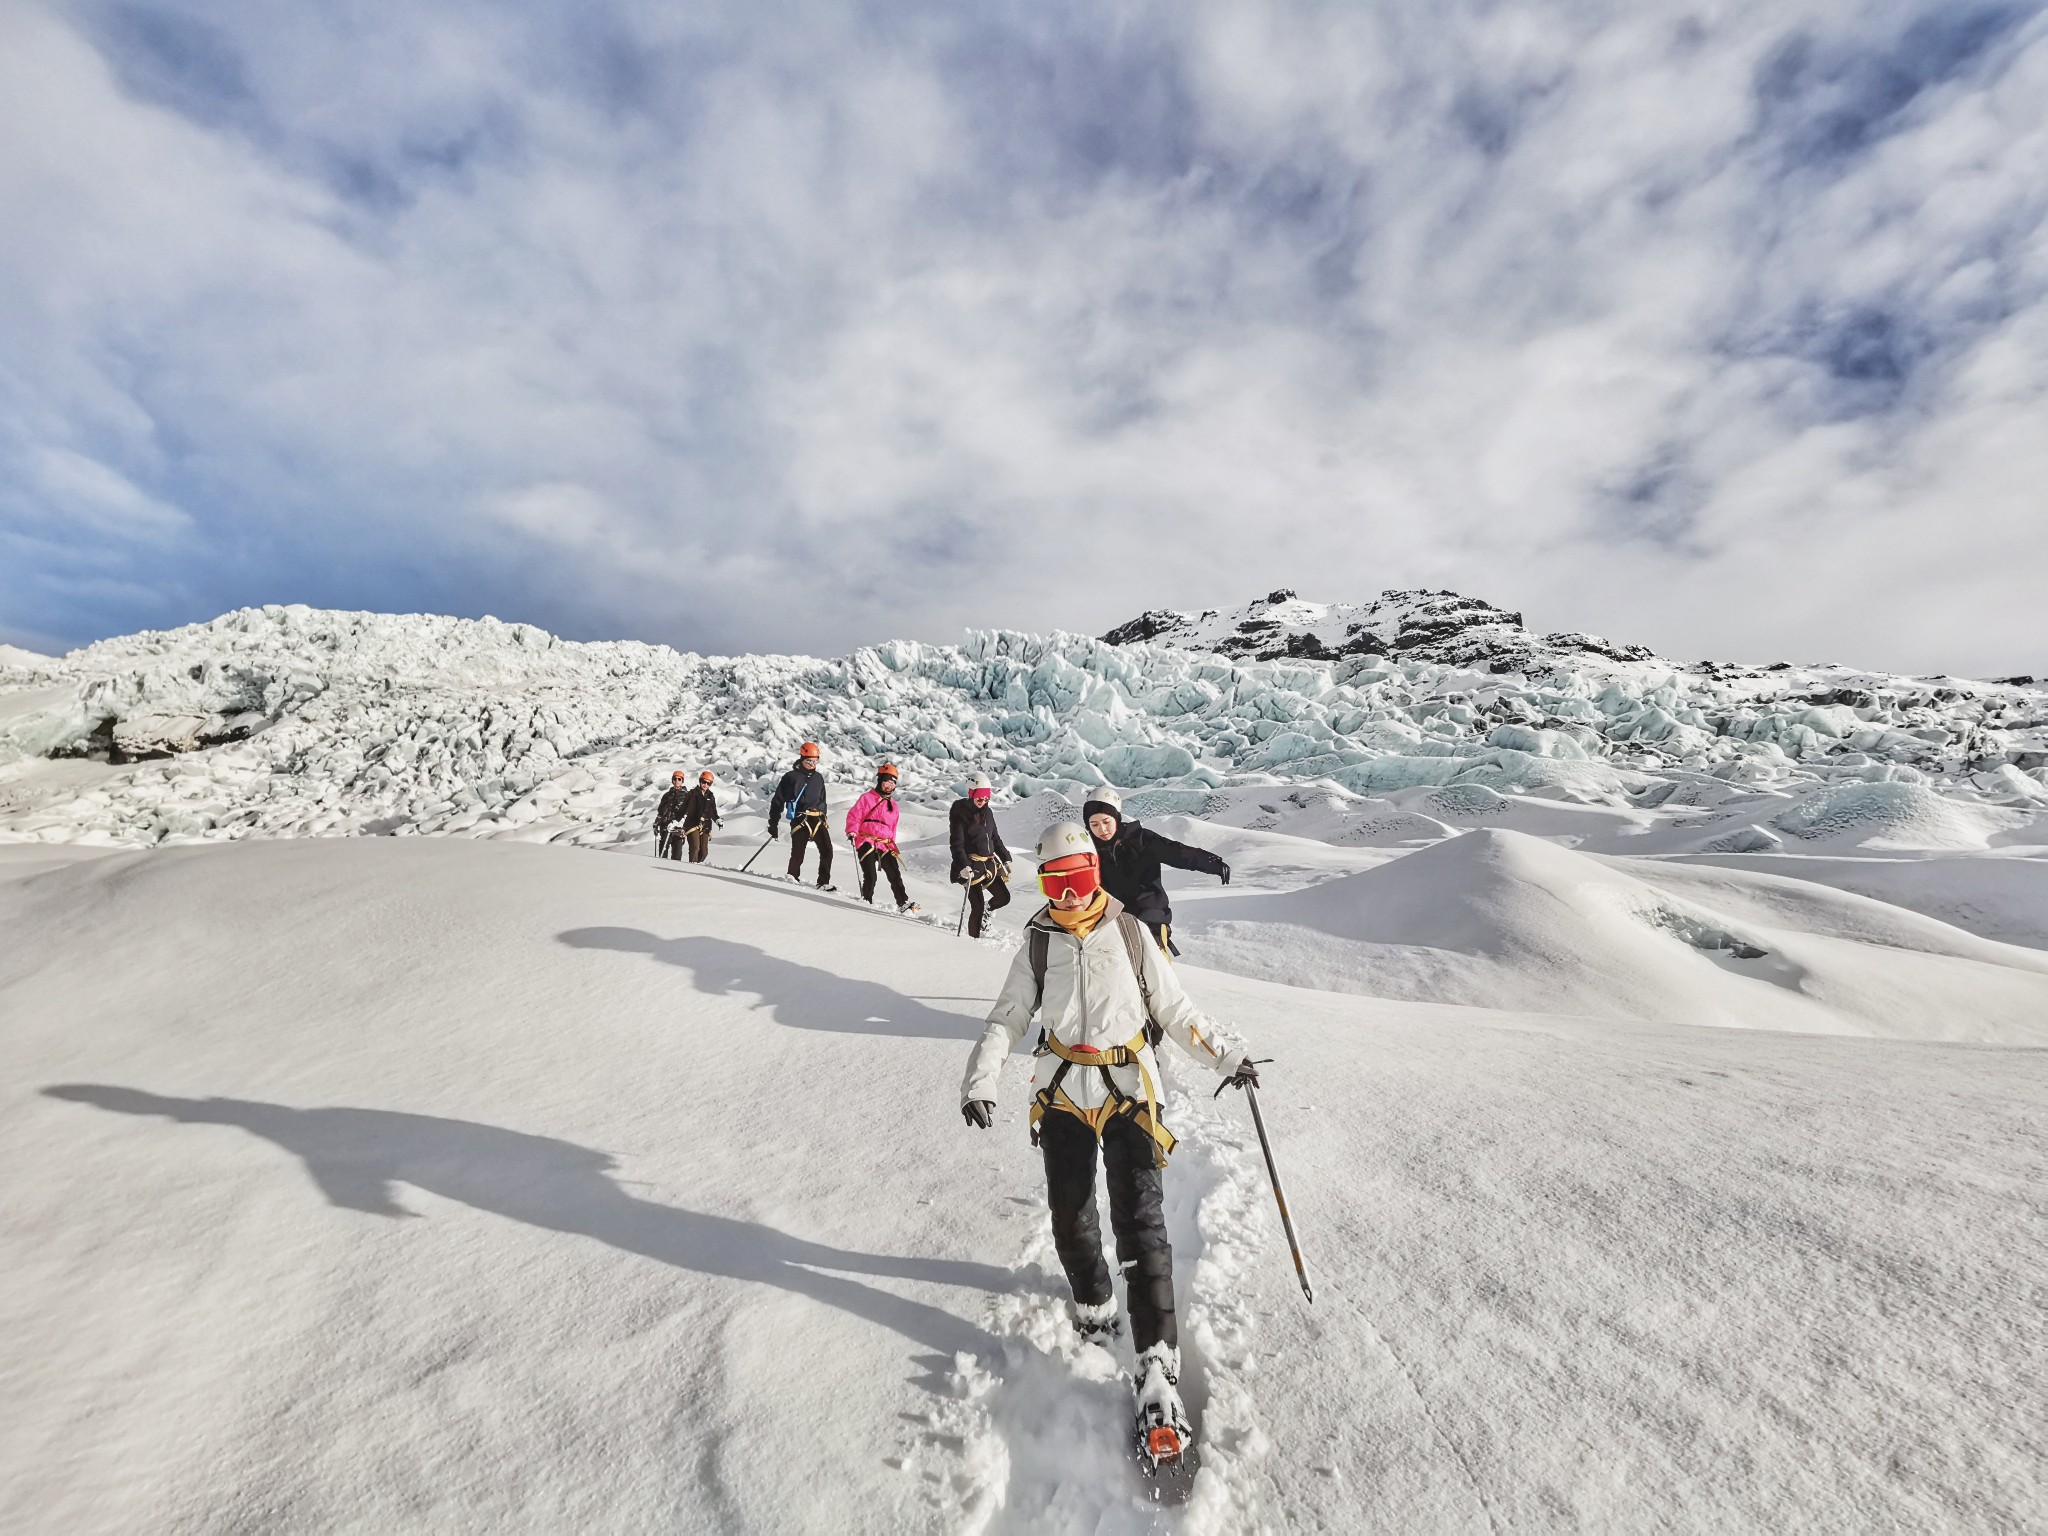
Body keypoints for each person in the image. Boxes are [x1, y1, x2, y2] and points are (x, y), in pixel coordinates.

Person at [960, 822, 1260, 1467]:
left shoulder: (1132, 934)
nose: (1067, 896)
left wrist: (1226, 1057)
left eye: (1079, 880)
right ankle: (1095, 1306)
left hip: (1129, 1091)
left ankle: (1158, 1361)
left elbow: (1176, 1011)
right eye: (1054, 882)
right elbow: (1009, 1016)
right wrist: (980, 1079)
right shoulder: (1037, 943)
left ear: (1095, 875)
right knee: (1070, 1215)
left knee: (1141, 1221)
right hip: (1063, 1090)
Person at [1081, 786, 1230, 954]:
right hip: (1112, 924)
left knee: (1155, 974)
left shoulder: (1142, 839)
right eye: (1094, 824)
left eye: (1106, 822)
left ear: (1116, 818)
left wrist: (1211, 862)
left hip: (1151, 921)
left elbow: (1176, 852)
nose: (1102, 829)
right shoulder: (1088, 850)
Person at [845, 764, 918, 912]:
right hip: (866, 840)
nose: (889, 786)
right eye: (887, 782)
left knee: (894, 874)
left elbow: (892, 829)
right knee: (870, 875)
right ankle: (866, 901)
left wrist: (892, 845)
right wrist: (852, 831)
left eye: (892, 783)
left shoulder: (894, 806)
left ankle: (903, 903)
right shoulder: (867, 798)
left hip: (885, 844)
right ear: (880, 781)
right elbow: (855, 816)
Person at [948, 772, 1013, 938]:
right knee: (976, 906)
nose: (983, 801)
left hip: (988, 865)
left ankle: (987, 911)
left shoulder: (988, 813)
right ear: (971, 794)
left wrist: (1005, 858)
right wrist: (963, 866)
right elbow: (957, 844)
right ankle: (973, 944)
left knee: (1003, 897)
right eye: (979, 798)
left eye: (986, 799)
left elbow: (995, 838)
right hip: (970, 866)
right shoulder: (960, 814)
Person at [768, 742, 835, 890]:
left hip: (817, 818)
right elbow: (778, 800)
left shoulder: (818, 778)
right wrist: (773, 822)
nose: (812, 764)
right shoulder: (791, 777)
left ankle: (823, 883)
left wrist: (823, 814)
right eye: (808, 761)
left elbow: (822, 799)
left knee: (827, 851)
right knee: (798, 852)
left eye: (815, 761)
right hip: (800, 818)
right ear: (802, 758)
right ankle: (792, 877)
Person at [677, 771, 722, 863]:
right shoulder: (692, 794)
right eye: (704, 782)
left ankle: (698, 866)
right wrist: (676, 820)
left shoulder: (710, 796)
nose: (705, 784)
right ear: (700, 781)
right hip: (692, 824)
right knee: (695, 847)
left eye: (708, 783)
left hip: (705, 826)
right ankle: (692, 866)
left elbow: (713, 812)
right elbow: (684, 808)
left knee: (704, 852)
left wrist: (718, 820)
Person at [652, 770, 693, 860]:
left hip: (678, 829)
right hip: (665, 827)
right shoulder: (666, 796)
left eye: (679, 779)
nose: (677, 781)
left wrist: (681, 824)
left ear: (682, 781)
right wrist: (656, 823)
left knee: (676, 856)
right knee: (663, 854)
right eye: (675, 779)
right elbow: (661, 812)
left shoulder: (687, 796)